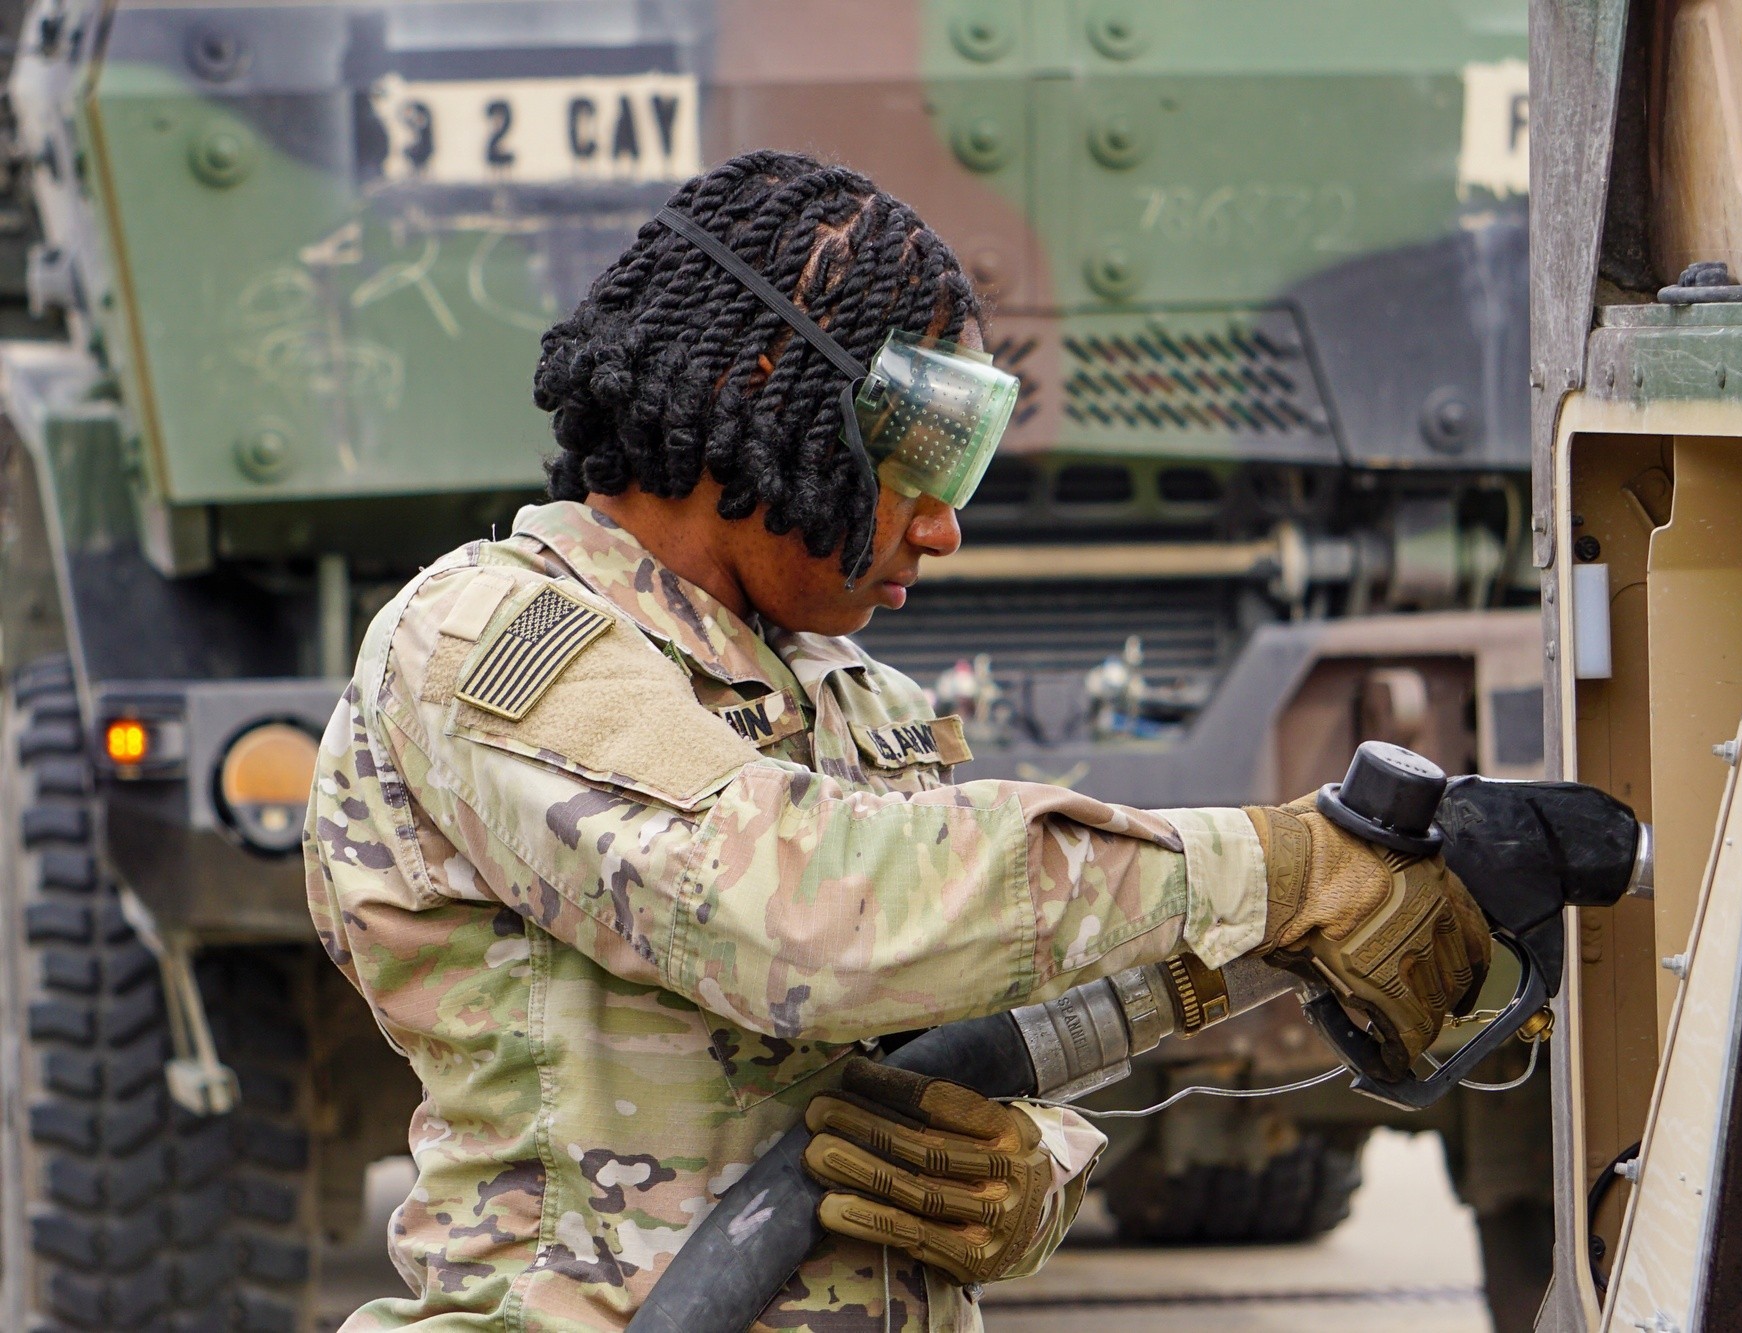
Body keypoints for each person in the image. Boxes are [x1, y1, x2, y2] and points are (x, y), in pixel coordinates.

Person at [304, 150, 1491, 1331]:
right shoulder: (489, 640)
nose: (943, 523)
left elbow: (963, 1002)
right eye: (920, 450)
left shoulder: (840, 687)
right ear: (765, 385)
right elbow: (799, 917)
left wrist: (1029, 1179)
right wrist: (1273, 869)